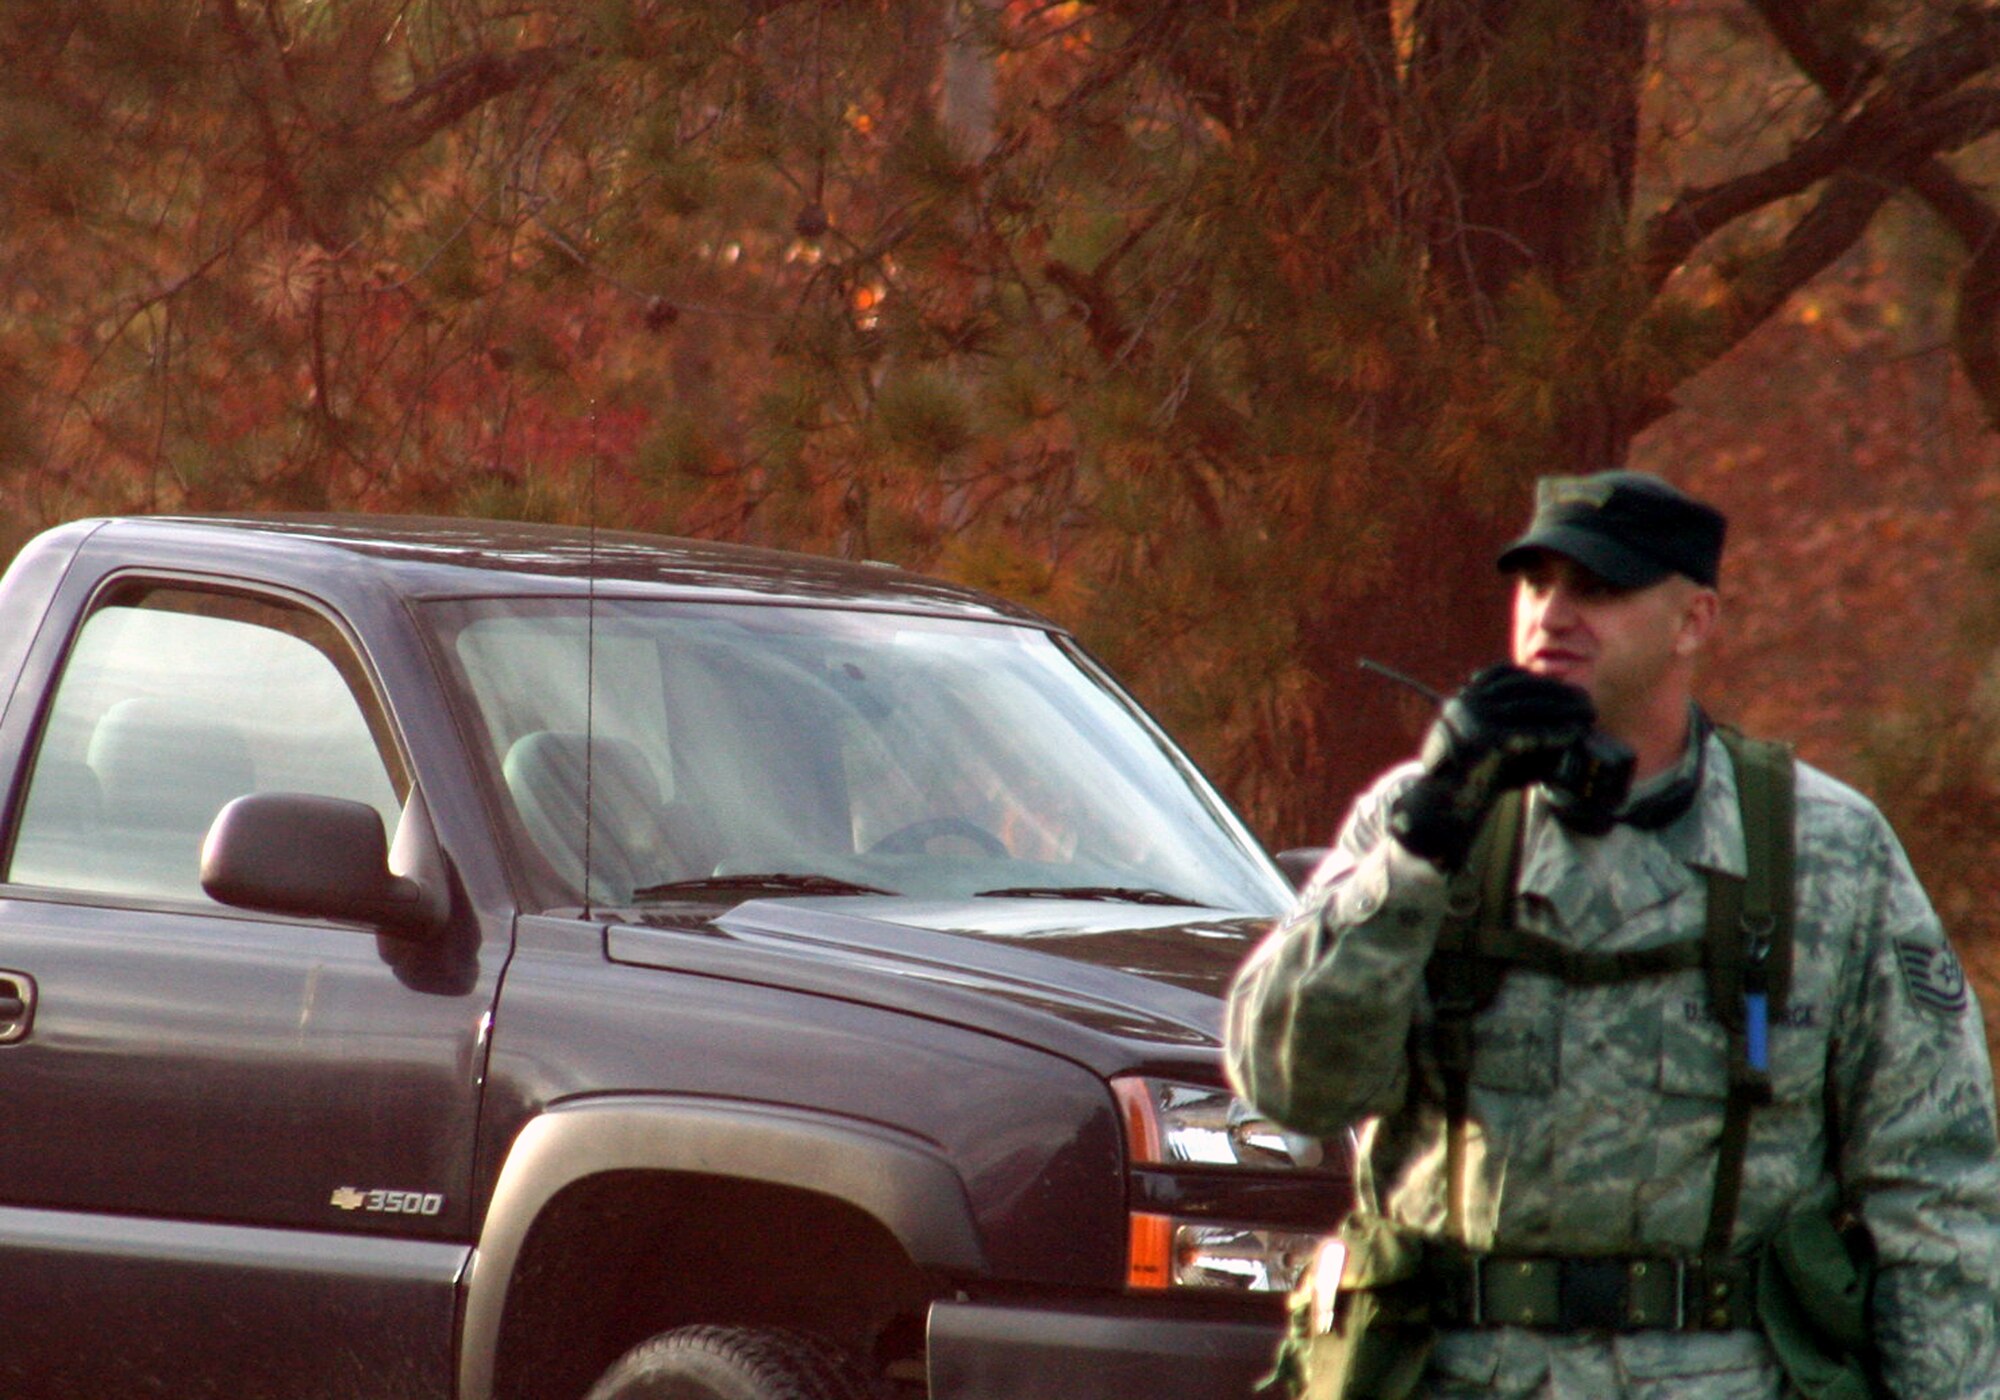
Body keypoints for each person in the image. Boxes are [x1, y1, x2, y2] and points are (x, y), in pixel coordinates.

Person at [1226, 470, 2000, 1397]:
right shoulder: (1422, 822)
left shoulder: (1824, 853)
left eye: (1598, 589)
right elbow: (1292, 1088)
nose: (1554, 614)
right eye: (1537, 583)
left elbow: (1933, 1186)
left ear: (1694, 620)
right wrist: (1417, 852)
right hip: (1459, 1371)